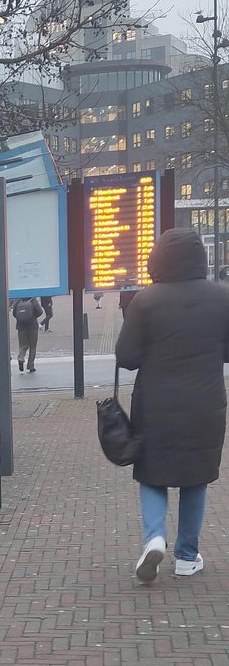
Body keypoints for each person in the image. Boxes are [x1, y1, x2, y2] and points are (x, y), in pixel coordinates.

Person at [116, 228, 229, 582]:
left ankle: (154, 538)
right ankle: (187, 556)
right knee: (196, 477)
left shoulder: (146, 300)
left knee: (153, 473)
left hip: (155, 405)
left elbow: (126, 356)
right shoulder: (222, 297)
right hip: (205, 404)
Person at [11, 297, 42, 373]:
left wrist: (21, 318)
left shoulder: (18, 300)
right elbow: (40, 312)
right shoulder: (33, 299)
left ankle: (21, 358)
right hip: (32, 326)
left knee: (22, 345)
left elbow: (14, 313)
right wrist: (32, 316)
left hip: (21, 326)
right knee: (33, 346)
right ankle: (31, 366)